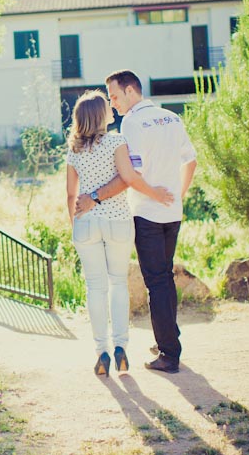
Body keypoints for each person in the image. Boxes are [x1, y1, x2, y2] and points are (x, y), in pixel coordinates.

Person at [75, 70, 197, 374]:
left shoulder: (132, 122)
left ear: (131, 91)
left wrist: (152, 195)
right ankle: (167, 340)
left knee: (157, 281)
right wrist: (176, 195)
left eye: (114, 96)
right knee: (164, 278)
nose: (112, 104)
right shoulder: (171, 118)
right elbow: (190, 160)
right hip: (173, 214)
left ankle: (169, 354)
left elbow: (132, 176)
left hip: (147, 214)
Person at [66, 90, 173, 377]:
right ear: (100, 116)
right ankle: (121, 348)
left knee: (95, 288)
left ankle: (101, 351)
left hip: (86, 223)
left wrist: (74, 225)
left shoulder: (73, 150)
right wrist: (154, 193)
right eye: (107, 107)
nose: (112, 110)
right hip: (118, 221)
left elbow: (70, 194)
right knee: (118, 284)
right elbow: (128, 177)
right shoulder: (116, 142)